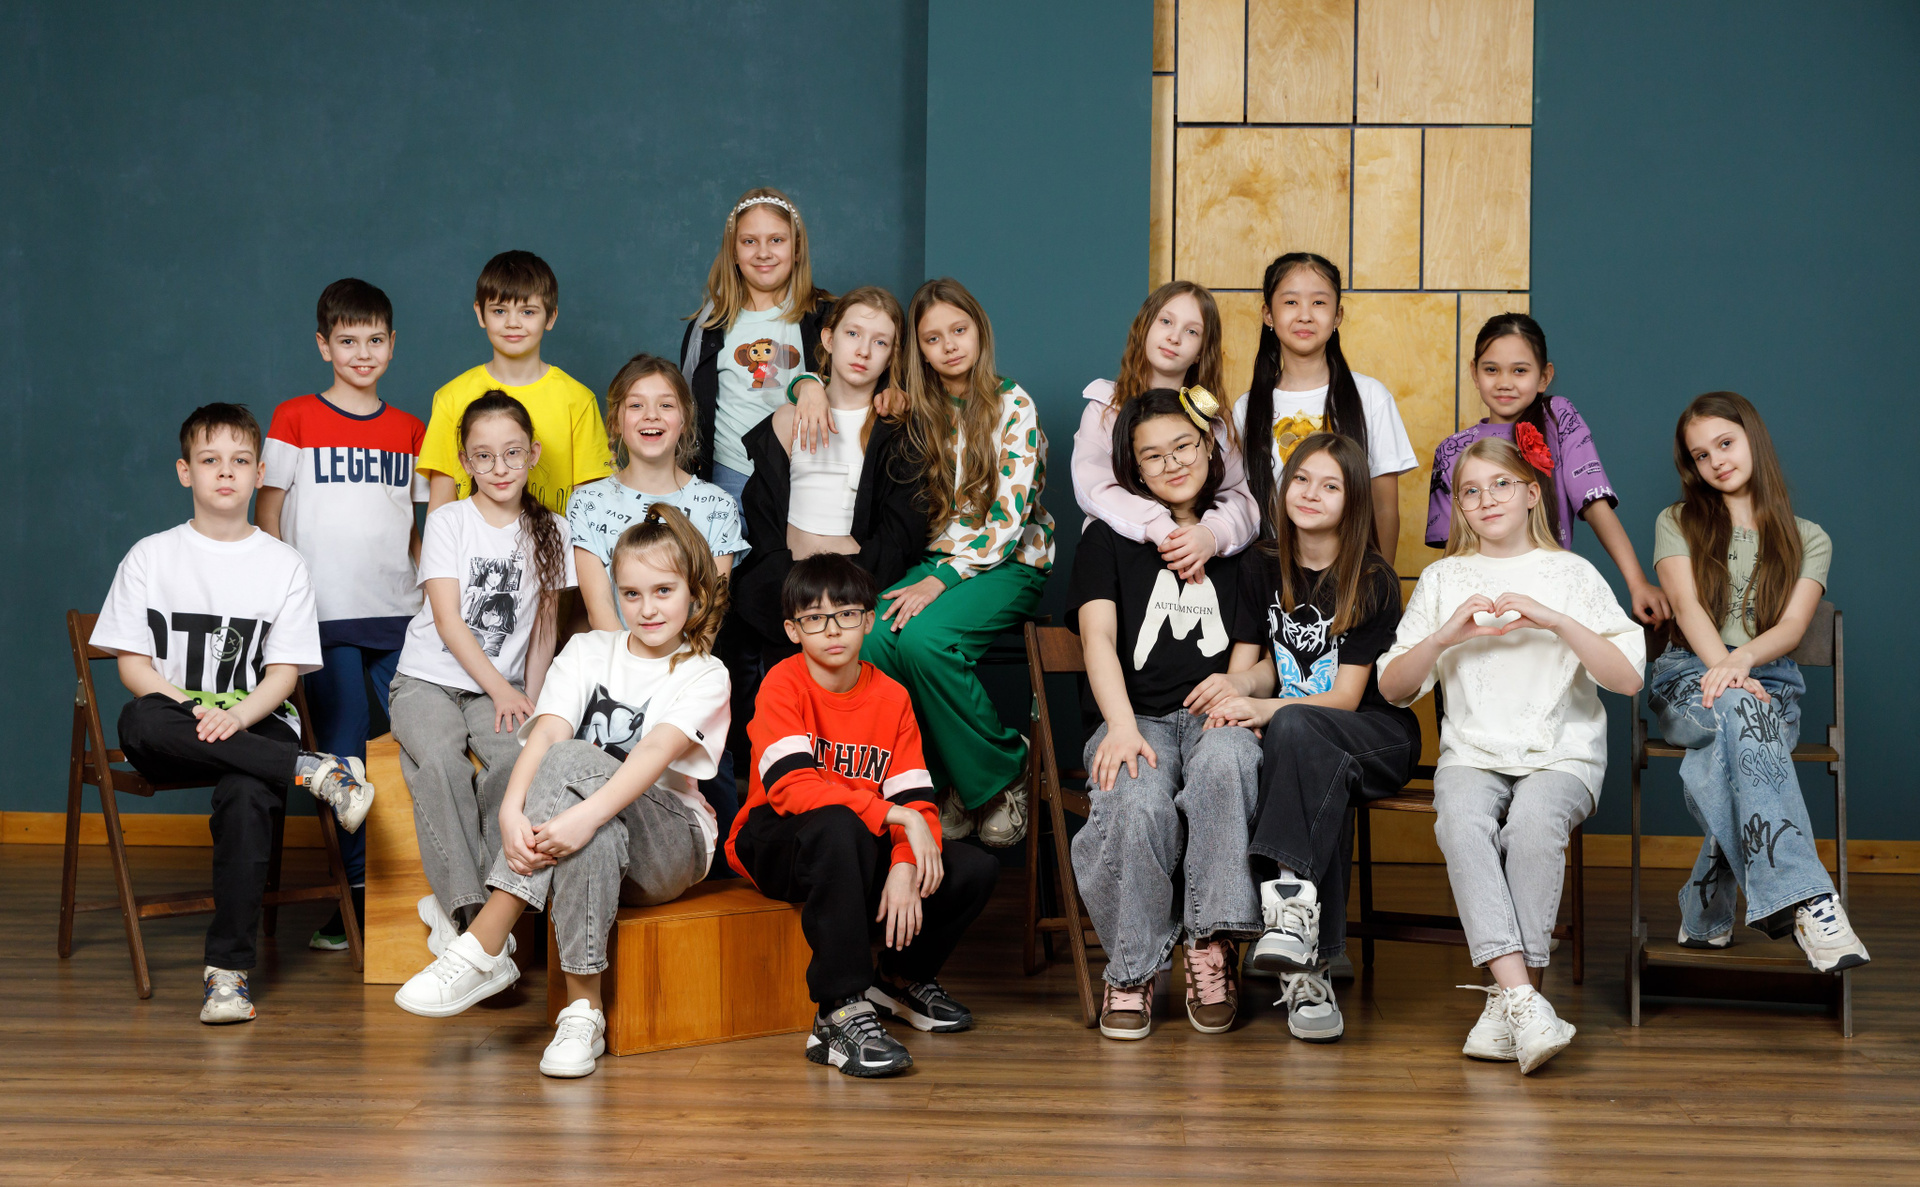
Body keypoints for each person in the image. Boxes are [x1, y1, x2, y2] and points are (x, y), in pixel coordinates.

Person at [395, 505, 730, 1080]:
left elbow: (651, 753)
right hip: (599, 833)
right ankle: (582, 1014)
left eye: (663, 591)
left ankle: (484, 943)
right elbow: (547, 729)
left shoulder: (705, 672)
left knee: (575, 764)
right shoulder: (588, 651)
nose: (647, 609)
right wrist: (510, 811)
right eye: (631, 593)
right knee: (587, 829)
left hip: (671, 844)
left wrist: (581, 815)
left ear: (695, 592)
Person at [91, 403, 375, 1023]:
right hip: (174, 724)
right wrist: (196, 710)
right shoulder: (150, 556)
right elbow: (133, 668)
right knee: (138, 718)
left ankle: (228, 976)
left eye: (240, 460)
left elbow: (283, 675)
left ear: (259, 473)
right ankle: (312, 771)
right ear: (184, 472)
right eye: (210, 460)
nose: (226, 472)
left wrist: (238, 717)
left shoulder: (283, 563)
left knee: (247, 791)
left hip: (256, 720)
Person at [1379, 437, 1644, 1074]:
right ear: (1459, 507)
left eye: (1500, 484)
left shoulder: (1572, 575)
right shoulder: (1444, 579)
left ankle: (1510, 1003)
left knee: (1532, 825)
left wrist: (1556, 620)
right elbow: (1392, 687)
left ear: (1531, 494)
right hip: (1473, 753)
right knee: (1460, 819)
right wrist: (1445, 636)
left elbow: (1628, 678)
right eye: (1470, 491)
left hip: (1561, 754)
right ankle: (1524, 1000)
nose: (1486, 499)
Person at [727, 553, 998, 1077]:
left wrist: (903, 862)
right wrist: (897, 819)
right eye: (815, 618)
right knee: (838, 822)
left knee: (972, 868)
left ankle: (898, 978)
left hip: (853, 843)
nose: (832, 630)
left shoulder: (892, 697)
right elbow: (792, 789)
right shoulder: (782, 684)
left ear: (869, 620)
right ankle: (838, 1010)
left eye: (846, 614)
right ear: (792, 630)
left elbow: (917, 801)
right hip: (777, 842)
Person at [1189, 433, 1418, 1044]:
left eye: (1330, 485)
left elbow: (1345, 698)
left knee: (1300, 734)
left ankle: (1294, 925)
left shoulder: (1372, 577)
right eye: (1301, 479)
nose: (1311, 493)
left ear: (1353, 500)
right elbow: (1256, 665)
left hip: (1376, 735)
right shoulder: (1261, 564)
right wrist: (1232, 691)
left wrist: (1263, 707)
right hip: (1306, 741)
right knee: (1308, 759)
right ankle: (1308, 964)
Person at [1067, 389, 1262, 1041]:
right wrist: (1120, 725)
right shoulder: (1107, 537)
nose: (1172, 463)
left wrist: (1233, 694)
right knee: (1136, 795)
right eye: (1153, 455)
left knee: (1228, 763)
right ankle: (1132, 968)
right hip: (1137, 717)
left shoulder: (1236, 538)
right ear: (1134, 469)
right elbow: (1097, 638)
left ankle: (1210, 944)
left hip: (1212, 715)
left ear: (1210, 445)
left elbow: (1248, 645)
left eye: (1183, 445)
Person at [1649, 391, 1868, 972]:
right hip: (1688, 676)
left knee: (1739, 755)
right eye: (1701, 455)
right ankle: (1810, 902)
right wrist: (1723, 668)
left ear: (1754, 439)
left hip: (1772, 683)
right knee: (1748, 729)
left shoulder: (1808, 537)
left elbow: (1793, 628)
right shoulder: (1676, 521)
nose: (1715, 461)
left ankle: (1704, 915)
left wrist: (1742, 661)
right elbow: (1687, 609)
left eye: (1725, 443)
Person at [257, 278, 426, 951]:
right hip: (323, 616)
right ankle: (353, 897)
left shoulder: (410, 429)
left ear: (393, 344)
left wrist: (433, 597)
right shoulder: (294, 417)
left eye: (375, 339)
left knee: (424, 739)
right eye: (348, 340)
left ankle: (424, 884)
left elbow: (415, 527)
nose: (362, 352)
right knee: (345, 760)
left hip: (399, 611)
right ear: (324, 345)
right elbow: (269, 511)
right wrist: (284, 597)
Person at [860, 278, 1055, 848]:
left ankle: (1004, 767)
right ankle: (947, 782)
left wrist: (940, 580)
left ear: (979, 331)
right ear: (918, 350)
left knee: (926, 642)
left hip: (1010, 560)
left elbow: (1009, 518)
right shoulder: (916, 410)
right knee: (872, 637)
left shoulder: (1014, 404)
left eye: (959, 330)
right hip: (936, 561)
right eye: (932, 338)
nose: (949, 346)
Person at [388, 393, 575, 957]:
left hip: (503, 690)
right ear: (465, 462)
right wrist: (501, 689)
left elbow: (544, 630)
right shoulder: (449, 521)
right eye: (484, 456)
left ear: (533, 454)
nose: (500, 468)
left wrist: (533, 702)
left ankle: (497, 909)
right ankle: (464, 914)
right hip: (427, 678)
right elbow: (447, 621)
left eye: (512, 453)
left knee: (518, 763)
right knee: (440, 761)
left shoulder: (553, 530)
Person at [1426, 313, 1670, 624]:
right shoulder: (1451, 450)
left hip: (1553, 596)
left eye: (1519, 370)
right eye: (1491, 369)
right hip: (1483, 606)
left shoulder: (1558, 417)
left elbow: (1594, 502)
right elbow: (1454, 550)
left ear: (1544, 376)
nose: (1504, 382)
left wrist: (1636, 583)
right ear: (1474, 373)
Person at [730, 286, 928, 667]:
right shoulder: (787, 419)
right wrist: (806, 384)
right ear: (828, 339)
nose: (863, 351)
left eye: (880, 342)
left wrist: (847, 591)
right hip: (787, 588)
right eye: (853, 333)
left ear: (892, 355)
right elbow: (762, 515)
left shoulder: (895, 430)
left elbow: (901, 533)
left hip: (856, 587)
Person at [1232, 252, 1417, 561]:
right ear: (1268, 314)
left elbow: (1384, 508)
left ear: (1337, 316)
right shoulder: (1247, 408)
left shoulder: (1370, 396)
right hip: (1273, 573)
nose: (1305, 315)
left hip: (1352, 573)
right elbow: (1242, 507)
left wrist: (1378, 579)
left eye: (1319, 302)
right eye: (1291, 302)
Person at [1071, 281, 1258, 581]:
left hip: (1200, 561)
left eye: (1191, 331)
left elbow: (1241, 498)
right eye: (1166, 322)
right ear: (1144, 327)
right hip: (1123, 560)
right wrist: (1161, 529)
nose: (1174, 337)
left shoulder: (1213, 418)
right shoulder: (1105, 408)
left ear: (1201, 352)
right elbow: (1094, 487)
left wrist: (1212, 534)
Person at [417, 250, 612, 516]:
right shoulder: (450, 398)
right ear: (480, 314)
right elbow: (441, 507)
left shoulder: (578, 400)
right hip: (469, 545)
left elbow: (590, 511)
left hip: (554, 542)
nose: (512, 323)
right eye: (499, 310)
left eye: (527, 312)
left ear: (551, 317)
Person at [678, 187, 832, 504]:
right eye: (750, 241)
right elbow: (687, 407)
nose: (763, 253)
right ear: (733, 252)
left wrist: (815, 384)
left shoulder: (827, 318)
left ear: (797, 249)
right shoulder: (707, 327)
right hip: (729, 478)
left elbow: (857, 387)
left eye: (776, 240)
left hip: (806, 475)